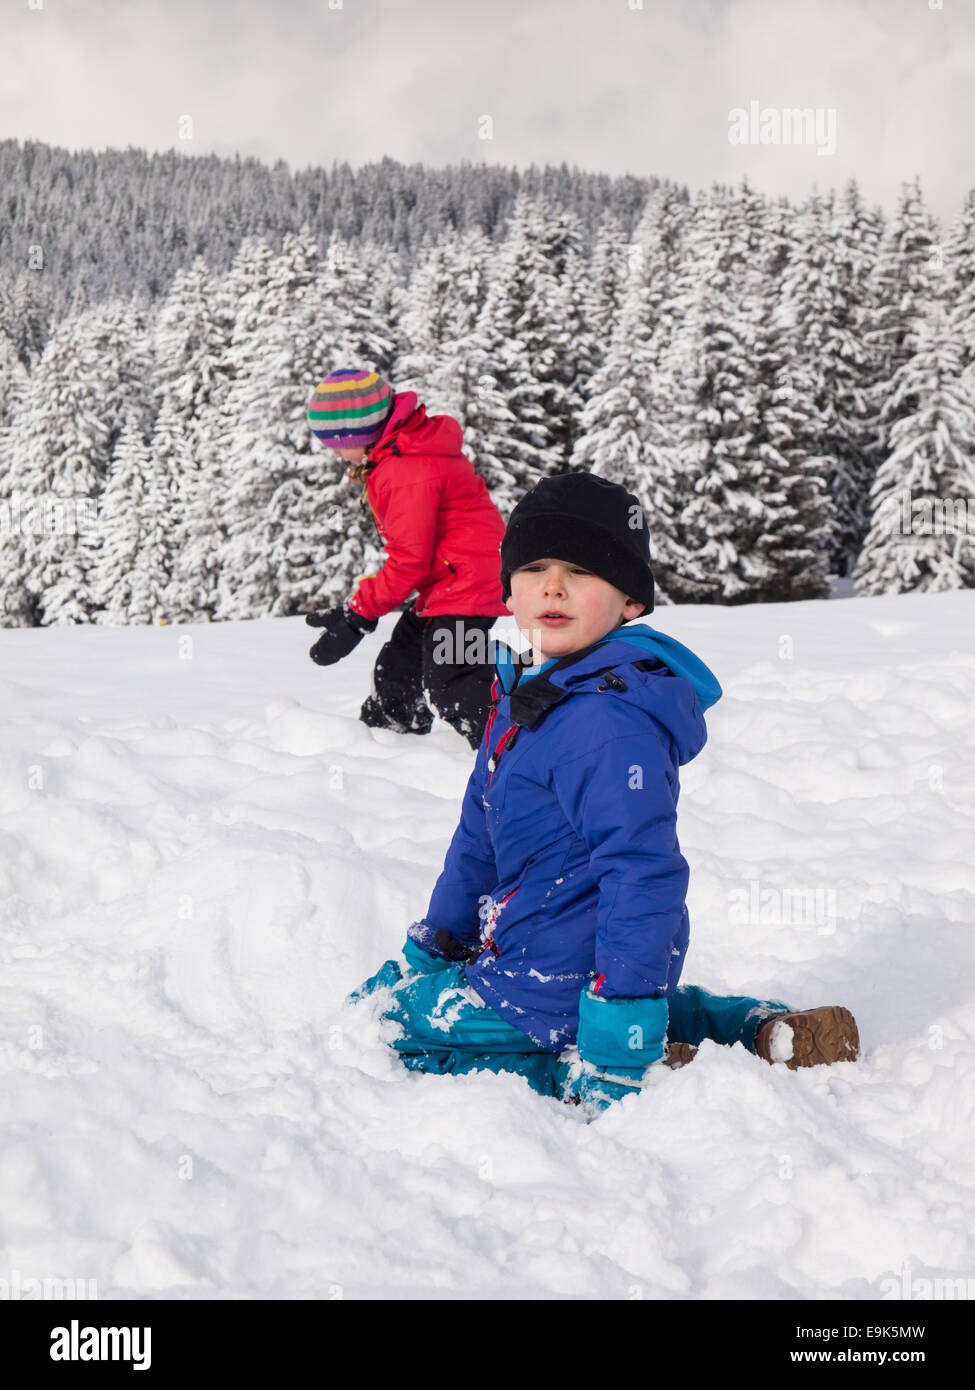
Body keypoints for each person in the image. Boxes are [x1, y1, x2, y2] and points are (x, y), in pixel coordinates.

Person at [350, 472, 861, 1112]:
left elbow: (642, 871)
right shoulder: (523, 702)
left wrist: (615, 1048)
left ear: (630, 603)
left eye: (582, 571)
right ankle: (752, 1032)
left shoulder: (604, 721)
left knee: (391, 1028)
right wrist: (436, 946)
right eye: (534, 566)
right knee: (410, 999)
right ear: (508, 591)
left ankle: (599, 1071)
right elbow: (475, 845)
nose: (554, 586)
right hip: (559, 962)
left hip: (551, 978)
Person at [305, 367, 508, 750]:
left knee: (454, 680)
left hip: (468, 584)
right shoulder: (401, 452)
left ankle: (513, 750)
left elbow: (409, 561)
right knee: (401, 666)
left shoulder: (404, 468)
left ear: (358, 432)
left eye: (335, 442)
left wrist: (358, 614)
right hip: (449, 583)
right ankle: (386, 745)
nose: (333, 452)